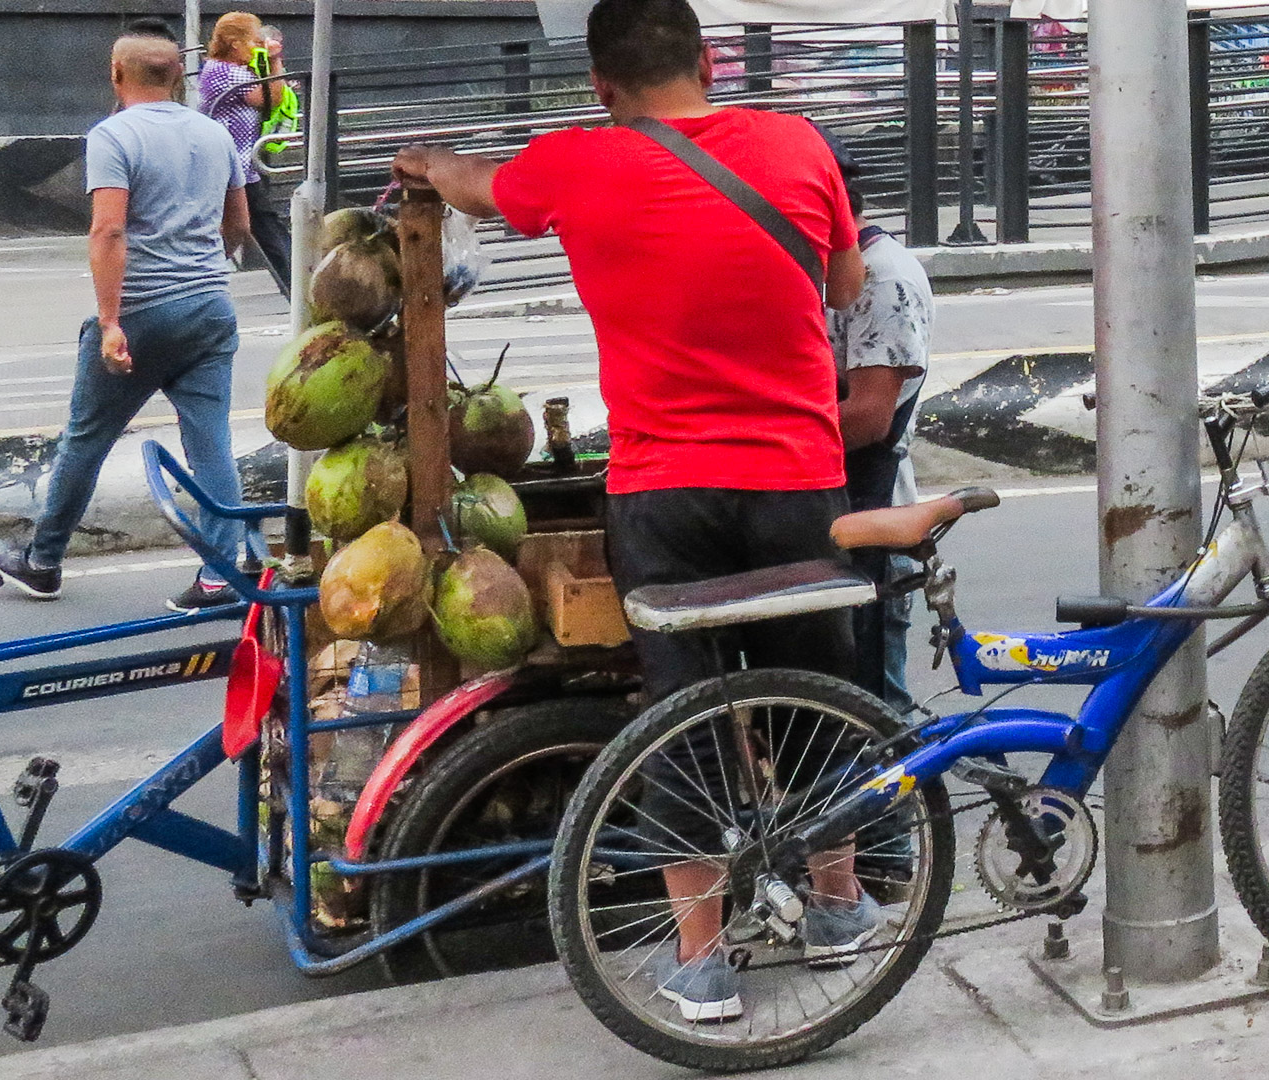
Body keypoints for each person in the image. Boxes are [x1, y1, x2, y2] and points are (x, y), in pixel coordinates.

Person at [390, 0, 868, 1022]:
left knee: (680, 713)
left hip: (663, 491)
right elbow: (845, 280)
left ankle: (701, 965)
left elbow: (477, 186)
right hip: (795, 476)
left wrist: (429, 163)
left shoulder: (575, 161)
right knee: (816, 689)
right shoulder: (796, 143)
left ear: (600, 86)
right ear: (708, 60)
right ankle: (839, 908)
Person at [0, 34, 252, 613]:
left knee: (88, 437)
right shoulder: (214, 133)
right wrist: (206, 265)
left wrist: (110, 322)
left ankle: (43, 561)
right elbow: (238, 223)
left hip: (143, 311)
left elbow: (108, 230)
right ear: (178, 77)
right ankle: (220, 577)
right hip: (210, 307)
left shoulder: (112, 136)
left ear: (115, 73)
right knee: (210, 443)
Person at [829, 145, 932, 716]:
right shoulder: (827, 267)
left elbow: (869, 417)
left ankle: (898, 806)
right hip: (835, 506)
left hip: (871, 510)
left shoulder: (883, 280)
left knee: (872, 714)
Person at [198, 12, 292, 291]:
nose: (257, 46)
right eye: (253, 40)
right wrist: (274, 61)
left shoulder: (236, 70)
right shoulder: (224, 72)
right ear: (233, 43)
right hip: (231, 166)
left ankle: (203, 275)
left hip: (241, 166)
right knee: (260, 227)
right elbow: (271, 99)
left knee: (252, 226)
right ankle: (295, 285)